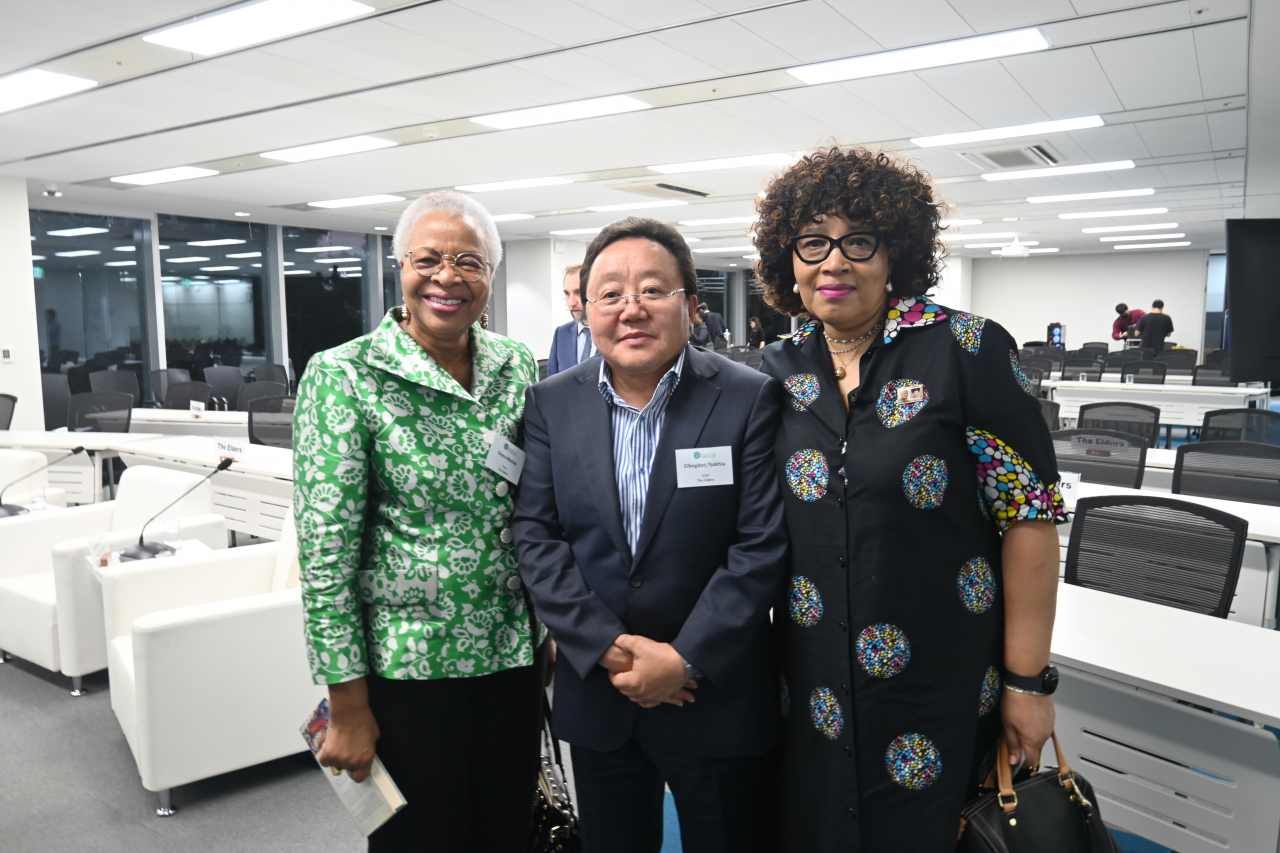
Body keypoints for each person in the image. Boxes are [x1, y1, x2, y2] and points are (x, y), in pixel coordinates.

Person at [753, 147, 1065, 852]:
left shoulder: (968, 349)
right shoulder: (778, 369)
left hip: (943, 678)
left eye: (858, 240)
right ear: (789, 261)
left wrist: (1028, 680)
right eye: (812, 242)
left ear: (896, 251)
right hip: (812, 684)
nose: (834, 262)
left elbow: (1030, 518)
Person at [512, 216, 790, 853]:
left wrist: (683, 658)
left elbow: (760, 545)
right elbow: (537, 534)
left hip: (715, 693)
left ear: (692, 307)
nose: (630, 309)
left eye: (652, 291)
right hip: (602, 694)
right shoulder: (552, 402)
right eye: (609, 294)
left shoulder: (747, 398)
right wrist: (607, 645)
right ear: (585, 311)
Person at [295, 190, 545, 852]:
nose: (447, 275)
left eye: (469, 259)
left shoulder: (514, 365)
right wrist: (346, 703)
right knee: (421, 841)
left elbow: (533, 508)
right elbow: (326, 554)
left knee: (506, 832)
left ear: (490, 272)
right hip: (407, 669)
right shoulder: (345, 375)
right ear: (399, 266)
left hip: (510, 660)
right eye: (427, 258)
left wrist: (544, 628)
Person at [548, 262, 595, 376]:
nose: (571, 302)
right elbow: (551, 384)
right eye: (567, 293)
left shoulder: (614, 332)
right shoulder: (562, 333)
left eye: (578, 292)